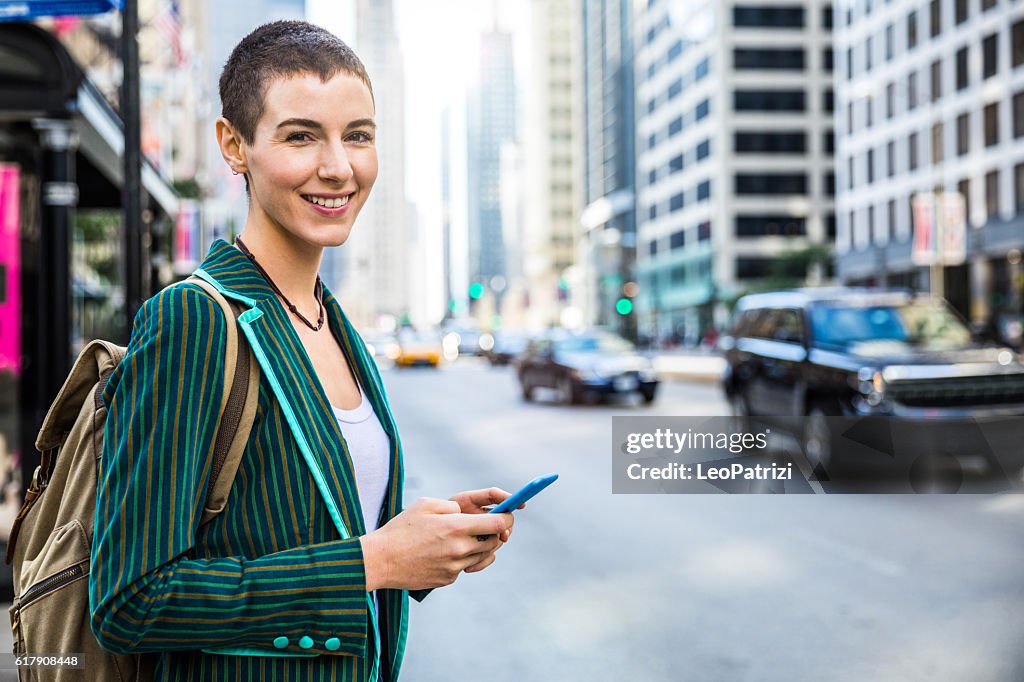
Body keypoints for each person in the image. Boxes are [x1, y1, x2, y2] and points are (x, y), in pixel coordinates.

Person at [89, 20, 516, 681]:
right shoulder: (195, 319)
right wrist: (372, 561)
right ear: (235, 145)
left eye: (358, 136)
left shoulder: (335, 323)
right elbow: (130, 601)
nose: (339, 167)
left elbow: (305, 532)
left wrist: (422, 547)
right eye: (300, 136)